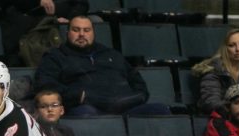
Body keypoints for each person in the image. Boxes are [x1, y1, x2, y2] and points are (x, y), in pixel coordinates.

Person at [34, 15, 170, 116]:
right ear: (67, 33)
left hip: (125, 107)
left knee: (160, 110)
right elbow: (45, 84)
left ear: (93, 33)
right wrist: (78, 96)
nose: (81, 34)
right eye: (76, 30)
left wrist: (138, 96)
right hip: (89, 108)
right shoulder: (56, 56)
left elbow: (138, 82)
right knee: (85, 114)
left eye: (86, 30)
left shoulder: (111, 54)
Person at [192, 28, 239, 116]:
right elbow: (211, 102)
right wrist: (235, 107)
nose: (238, 49)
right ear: (225, 49)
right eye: (232, 45)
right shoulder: (214, 69)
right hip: (222, 118)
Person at [0, 0, 88, 66]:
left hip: (64, 20)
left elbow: (82, 4)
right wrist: (38, 2)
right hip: (29, 20)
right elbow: (6, 3)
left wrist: (71, 19)